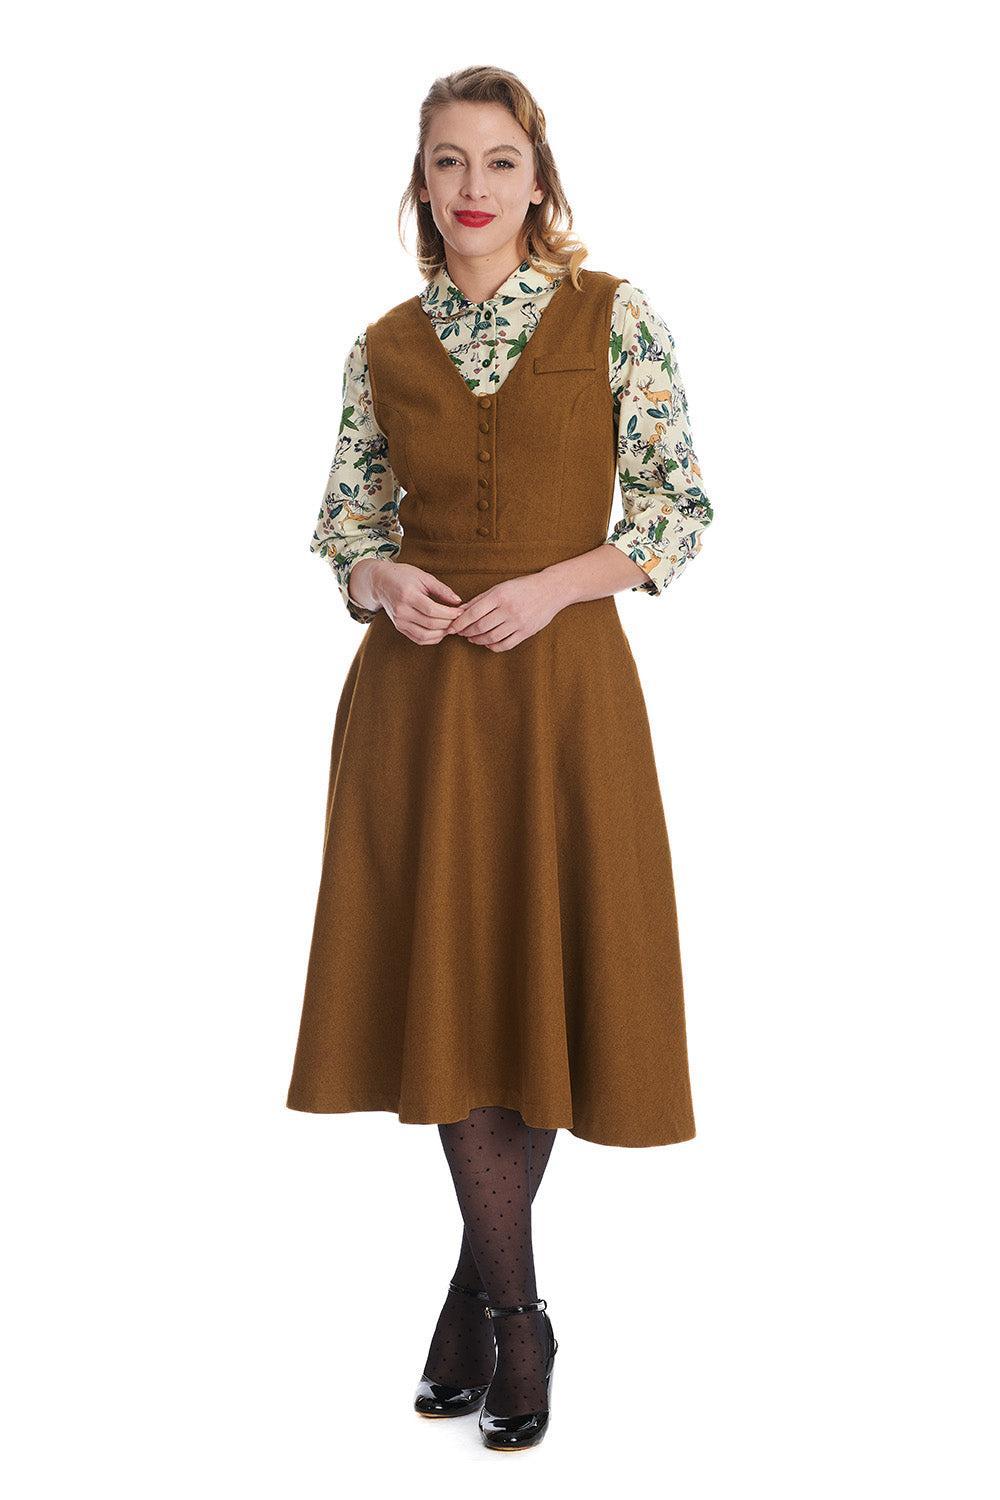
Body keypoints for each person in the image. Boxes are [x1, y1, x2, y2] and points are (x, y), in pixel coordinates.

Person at [286, 64, 715, 1451]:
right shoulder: (382, 344)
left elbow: (675, 511)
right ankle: (516, 1313)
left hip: (563, 696)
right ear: (419, 182)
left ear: (540, 183)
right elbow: (346, 522)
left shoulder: (613, 316)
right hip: (418, 709)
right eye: (447, 162)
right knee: (454, 983)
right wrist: (380, 580)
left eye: (499, 163)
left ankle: (485, 1303)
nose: (472, 188)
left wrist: (551, 587)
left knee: (540, 974)